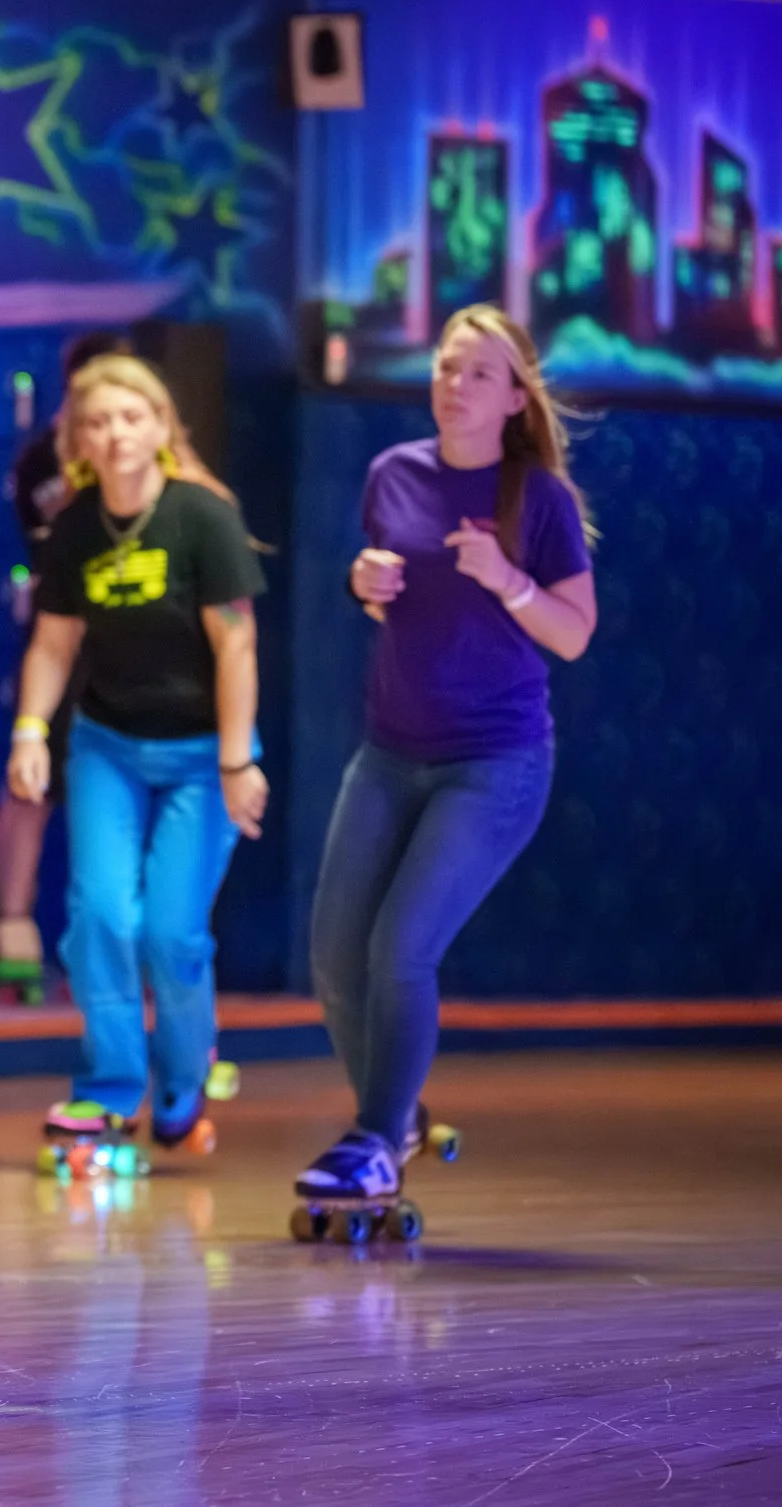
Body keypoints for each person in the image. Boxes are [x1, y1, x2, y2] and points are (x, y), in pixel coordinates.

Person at [298, 305, 595, 1202]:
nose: (454, 384)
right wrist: (364, 585)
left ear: (513, 399)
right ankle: (398, 1115)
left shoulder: (537, 498)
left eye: (477, 373)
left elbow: (575, 634)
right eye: (446, 366)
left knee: (401, 947)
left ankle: (376, 1138)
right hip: (391, 752)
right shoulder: (394, 474)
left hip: (495, 763)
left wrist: (508, 580)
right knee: (333, 955)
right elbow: (401, 604)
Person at [8, 355, 267, 1154]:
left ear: (160, 427)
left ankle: (186, 1075)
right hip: (108, 745)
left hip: (202, 755)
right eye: (98, 421)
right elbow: (54, 643)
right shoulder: (78, 526)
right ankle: (110, 1088)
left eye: (130, 417)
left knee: (171, 931)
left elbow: (236, 644)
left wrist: (235, 762)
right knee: (100, 918)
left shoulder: (202, 516)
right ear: (78, 438)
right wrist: (30, 730)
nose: (115, 433)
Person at [0, 328, 136, 1003]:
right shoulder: (44, 457)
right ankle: (14, 937)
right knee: (30, 783)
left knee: (117, 790)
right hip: (61, 637)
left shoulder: (144, 455)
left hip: (133, 642)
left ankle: (105, 946)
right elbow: (52, 547)